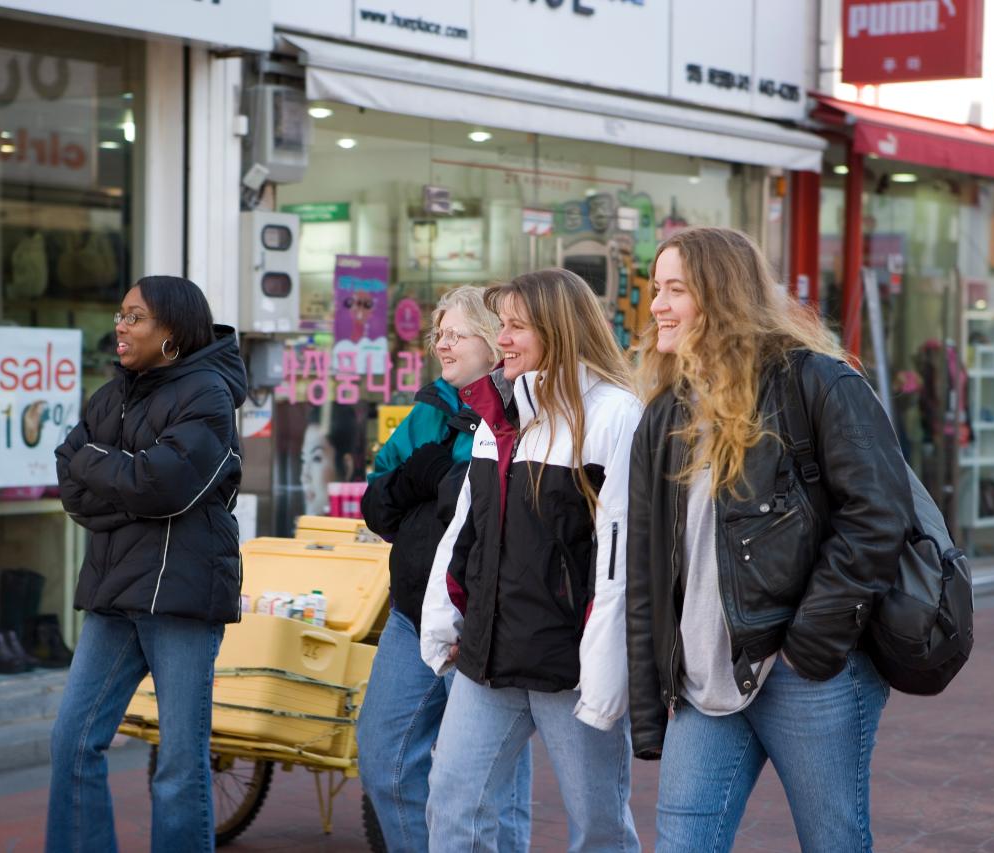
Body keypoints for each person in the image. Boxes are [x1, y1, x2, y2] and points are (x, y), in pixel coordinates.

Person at [625, 227, 912, 852]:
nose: (657, 306)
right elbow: (649, 567)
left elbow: (878, 515)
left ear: (721, 296)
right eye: (656, 289)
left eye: (677, 289)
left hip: (807, 674)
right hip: (705, 681)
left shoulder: (817, 383)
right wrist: (655, 691)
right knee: (680, 843)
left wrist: (808, 647)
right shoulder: (665, 413)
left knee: (832, 842)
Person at [421, 269, 643, 852]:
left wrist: (604, 664)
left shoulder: (616, 414)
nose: (504, 340)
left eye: (517, 327)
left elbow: (621, 556)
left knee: (599, 827)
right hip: (487, 657)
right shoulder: (501, 411)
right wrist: (450, 620)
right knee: (452, 807)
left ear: (559, 329)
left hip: (570, 668)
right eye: (503, 327)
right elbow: (466, 528)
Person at [48, 276, 246, 853]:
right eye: (120, 314)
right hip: (114, 591)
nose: (120, 325)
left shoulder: (207, 394)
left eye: (135, 317)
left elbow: (164, 487)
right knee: (73, 740)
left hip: (180, 596)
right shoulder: (112, 395)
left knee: (180, 762)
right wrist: (131, 489)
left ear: (172, 334)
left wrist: (114, 475)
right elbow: (72, 482)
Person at [358, 285, 532, 852]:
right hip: (413, 612)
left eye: (454, 334)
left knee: (491, 792)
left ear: (491, 340)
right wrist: (416, 478)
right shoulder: (430, 406)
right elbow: (377, 503)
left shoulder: (526, 409)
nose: (441, 345)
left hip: (487, 622)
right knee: (383, 761)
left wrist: (438, 482)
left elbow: (497, 510)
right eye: (439, 334)